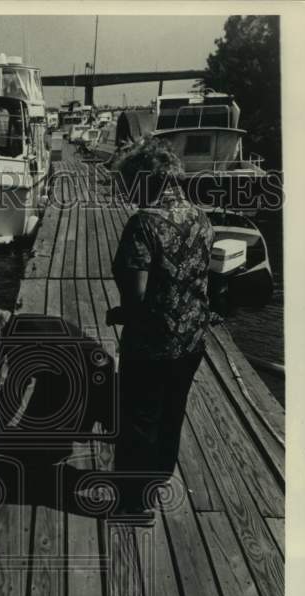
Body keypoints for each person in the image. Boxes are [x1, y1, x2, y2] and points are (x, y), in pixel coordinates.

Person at [109, 136, 214, 520]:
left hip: (151, 346)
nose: (124, 192)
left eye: (126, 184)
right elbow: (191, 281)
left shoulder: (143, 225)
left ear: (145, 180)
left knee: (138, 421)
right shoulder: (201, 218)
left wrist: (122, 314)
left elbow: (136, 297)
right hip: (192, 342)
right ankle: (154, 487)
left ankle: (134, 505)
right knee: (171, 415)